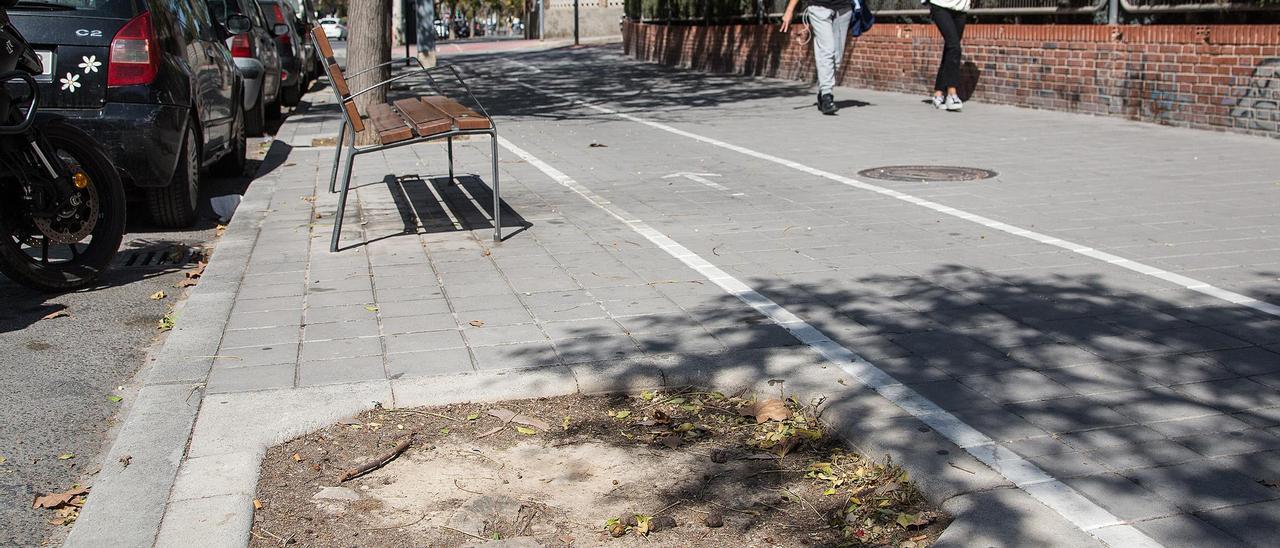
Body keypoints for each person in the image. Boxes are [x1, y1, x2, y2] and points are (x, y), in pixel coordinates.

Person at [781, 0, 852, 115]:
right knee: (827, 50)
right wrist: (789, 11)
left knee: (837, 58)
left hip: (843, 9)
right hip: (818, 7)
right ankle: (827, 97)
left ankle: (823, 91)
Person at [927, 0, 970, 111]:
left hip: (961, 9)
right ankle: (951, 93)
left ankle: (938, 93)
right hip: (940, 5)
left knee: (950, 49)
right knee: (954, 47)